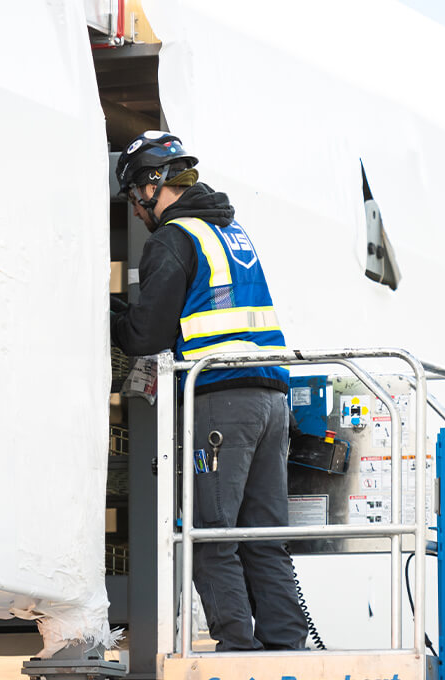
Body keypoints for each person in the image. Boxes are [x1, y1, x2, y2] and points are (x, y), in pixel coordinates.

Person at [110, 131, 307, 651]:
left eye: (135, 196)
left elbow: (145, 335)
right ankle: (286, 646)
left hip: (222, 398)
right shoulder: (229, 230)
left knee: (209, 534)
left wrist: (104, 314)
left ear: (155, 185)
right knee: (263, 536)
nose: (136, 210)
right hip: (269, 398)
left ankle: (237, 649)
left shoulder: (175, 238)